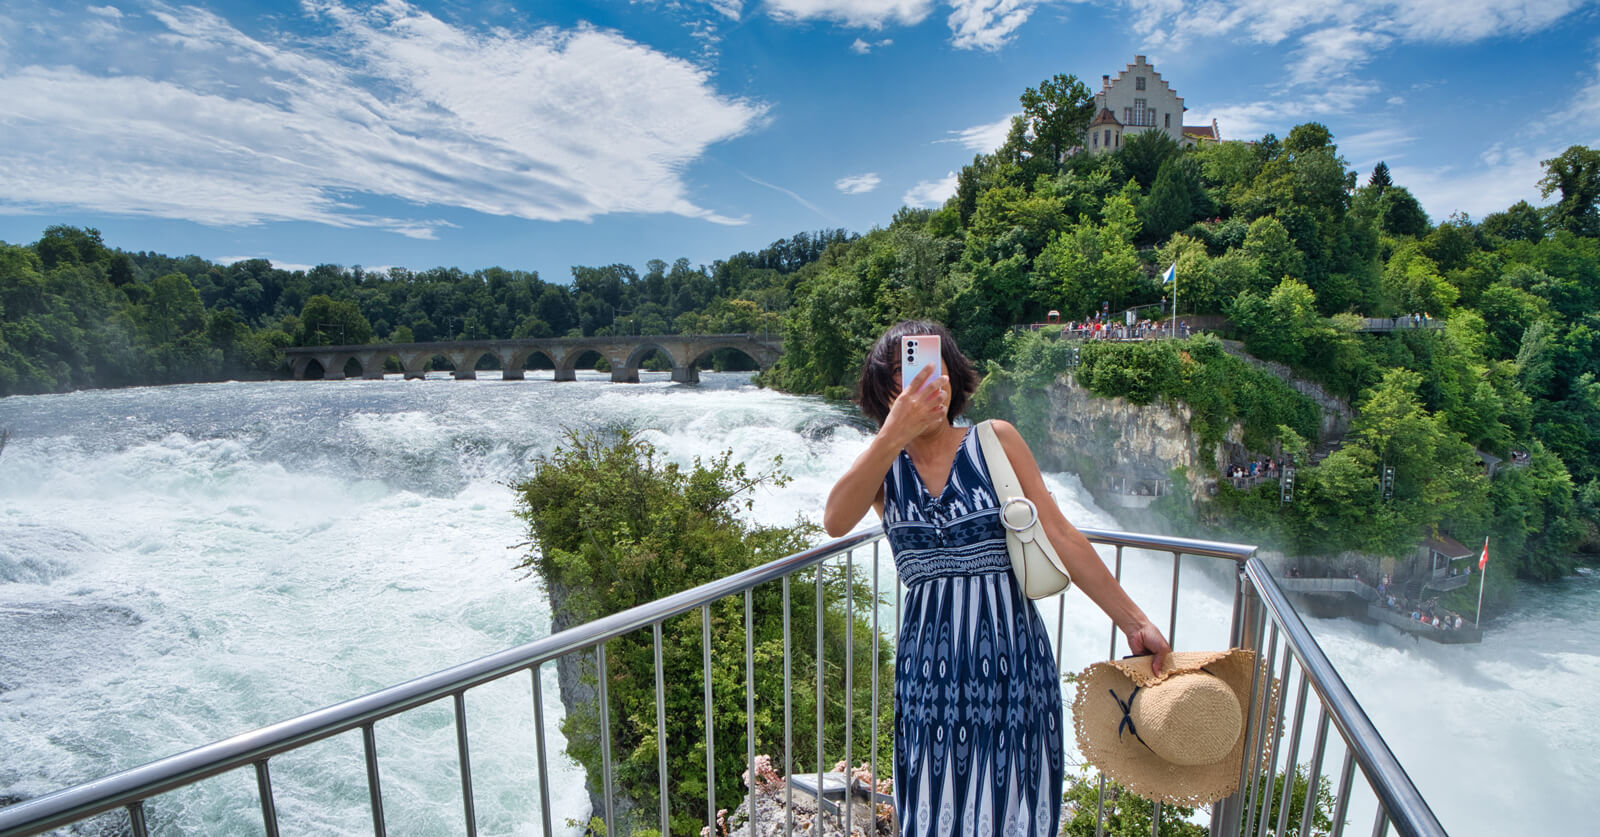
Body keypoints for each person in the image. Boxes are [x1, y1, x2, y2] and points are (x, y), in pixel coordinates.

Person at [824, 320, 1171, 837]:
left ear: (953, 374)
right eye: (906, 372)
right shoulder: (884, 469)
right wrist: (893, 432)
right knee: (935, 808)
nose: (928, 381)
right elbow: (834, 520)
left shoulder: (995, 442)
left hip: (1014, 668)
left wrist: (1134, 619)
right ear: (885, 390)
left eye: (935, 365)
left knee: (1017, 806)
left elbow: (1060, 534)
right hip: (929, 678)